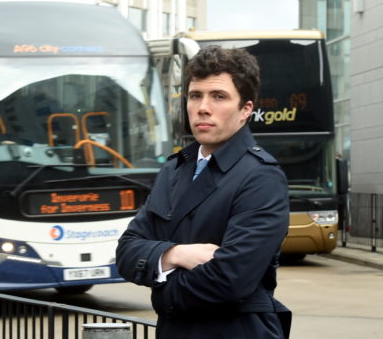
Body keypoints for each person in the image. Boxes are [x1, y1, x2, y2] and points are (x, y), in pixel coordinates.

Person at [116, 45, 291, 338]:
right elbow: (127, 250)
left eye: (219, 96)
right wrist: (175, 253)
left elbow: (230, 279)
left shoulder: (261, 177)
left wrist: (161, 293)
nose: (203, 107)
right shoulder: (175, 169)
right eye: (196, 95)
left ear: (245, 109)